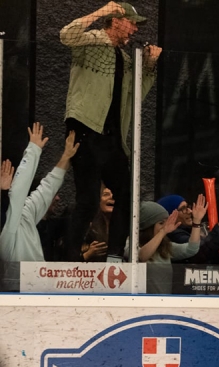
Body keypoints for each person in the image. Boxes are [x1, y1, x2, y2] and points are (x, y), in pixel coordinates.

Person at [60, 1, 162, 260]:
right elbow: (66, 34)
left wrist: (149, 66)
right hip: (87, 128)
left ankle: (116, 253)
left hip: (113, 138)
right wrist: (102, 11)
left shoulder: (125, 58)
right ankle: (71, 255)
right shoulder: (92, 41)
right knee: (89, 198)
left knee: (127, 195)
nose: (134, 29)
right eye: (131, 23)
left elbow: (135, 96)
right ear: (116, 20)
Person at [0, 124, 79, 263]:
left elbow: (47, 188)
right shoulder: (7, 230)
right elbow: (18, 190)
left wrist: (66, 157)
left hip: (39, 283)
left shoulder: (25, 215)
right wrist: (33, 150)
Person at [129, 197, 206, 293]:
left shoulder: (164, 247)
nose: (166, 226)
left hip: (164, 303)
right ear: (148, 226)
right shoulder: (130, 244)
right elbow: (141, 256)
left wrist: (196, 221)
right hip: (141, 303)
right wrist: (163, 232)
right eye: (161, 223)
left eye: (166, 222)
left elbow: (191, 249)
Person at [157, 194, 219, 264]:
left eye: (188, 207)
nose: (190, 211)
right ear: (171, 215)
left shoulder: (190, 230)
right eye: (183, 209)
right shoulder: (174, 235)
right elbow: (201, 253)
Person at [80, 186, 114, 262]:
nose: (111, 197)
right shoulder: (88, 226)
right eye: (106, 194)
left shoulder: (126, 226)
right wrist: (88, 253)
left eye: (114, 194)